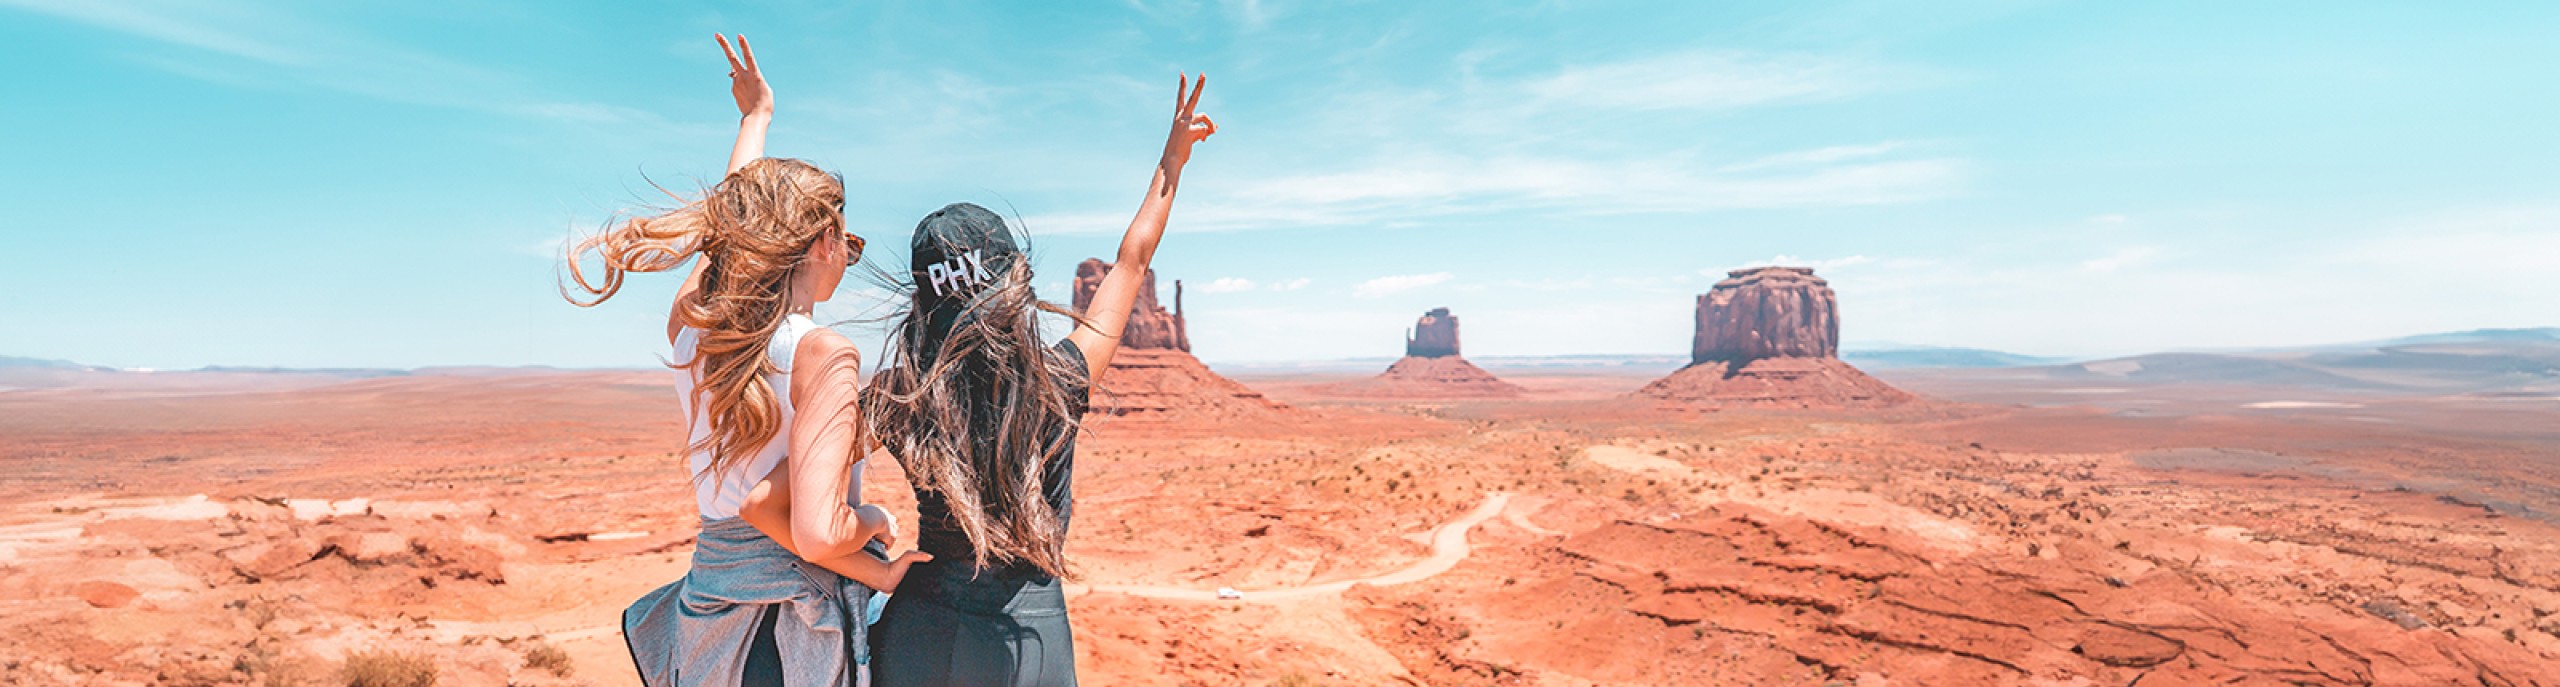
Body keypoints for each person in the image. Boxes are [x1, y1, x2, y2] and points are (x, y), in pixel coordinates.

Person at [748, 72, 1217, 687]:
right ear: (1013, 281)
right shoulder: (1060, 379)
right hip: (1028, 639)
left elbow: (763, 503)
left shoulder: (896, 396)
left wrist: (878, 568)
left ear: (922, 301)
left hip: (919, 628)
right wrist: (1171, 162)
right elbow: (1133, 260)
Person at [575, 35, 927, 687]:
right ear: (825, 241)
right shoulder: (823, 352)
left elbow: (725, 241)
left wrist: (754, 119)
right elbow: (818, 533)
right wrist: (877, 532)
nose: (849, 254)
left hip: (709, 620)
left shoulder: (694, 329)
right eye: (848, 238)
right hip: (789, 632)